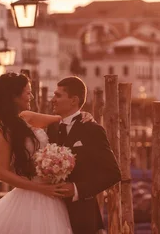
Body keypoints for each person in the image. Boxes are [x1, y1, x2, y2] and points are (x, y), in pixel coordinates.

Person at [0, 72, 92, 234]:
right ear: (15, 97)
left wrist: (82, 115)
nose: (32, 97)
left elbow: (61, 119)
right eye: (28, 92)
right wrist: (39, 188)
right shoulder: (11, 126)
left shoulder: (23, 119)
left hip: (49, 193)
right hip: (33, 193)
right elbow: (2, 173)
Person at [48, 76, 121, 234]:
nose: (53, 100)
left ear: (74, 100)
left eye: (58, 95)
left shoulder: (92, 130)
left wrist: (76, 189)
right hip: (49, 212)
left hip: (82, 217)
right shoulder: (49, 128)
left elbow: (113, 174)